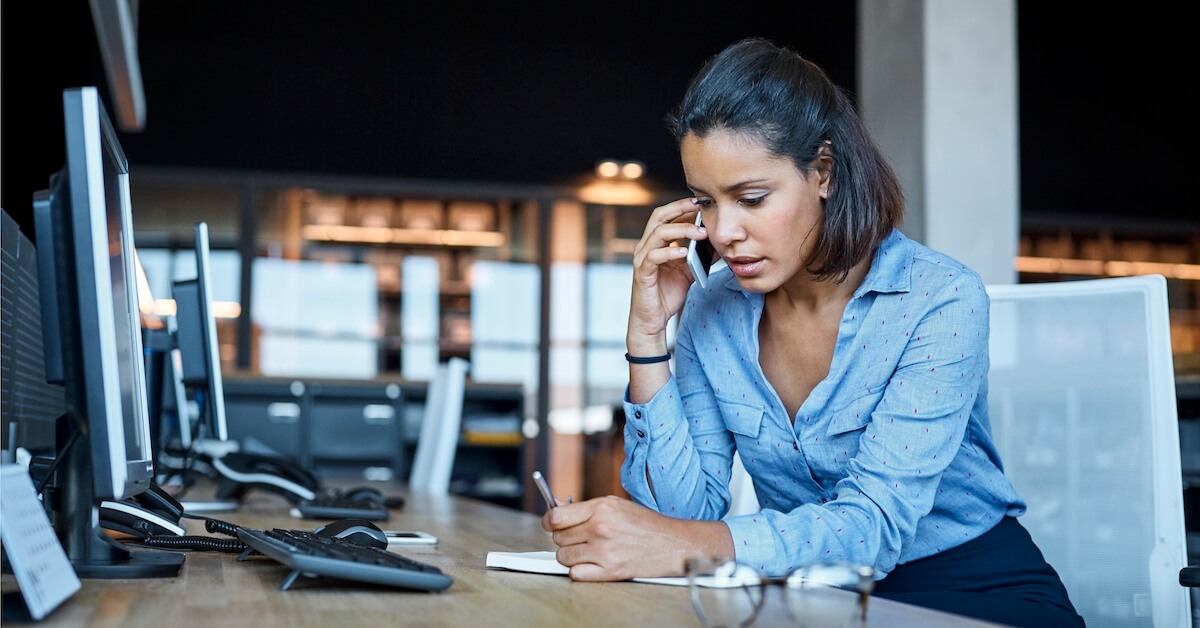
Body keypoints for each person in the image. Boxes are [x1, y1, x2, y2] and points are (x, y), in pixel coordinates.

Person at [542, 37, 1084, 627]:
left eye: (751, 198)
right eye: (705, 203)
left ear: (822, 172)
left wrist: (685, 543)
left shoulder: (939, 299)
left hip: (968, 587)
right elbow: (679, 512)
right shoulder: (712, 309)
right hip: (810, 596)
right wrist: (647, 336)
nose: (723, 232)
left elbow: (873, 524)